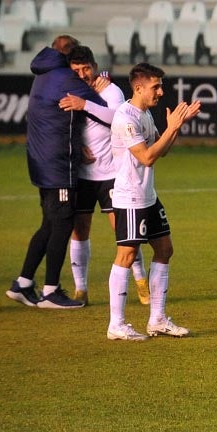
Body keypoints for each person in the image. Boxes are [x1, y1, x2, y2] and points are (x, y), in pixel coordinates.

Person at [6, 35, 105, 310]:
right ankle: (51, 291)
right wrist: (100, 86)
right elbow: (102, 108)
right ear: (68, 56)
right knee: (63, 223)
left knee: (49, 223)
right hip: (58, 164)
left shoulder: (43, 72)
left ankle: (23, 283)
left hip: (40, 161)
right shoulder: (64, 77)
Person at [105, 63, 201, 340]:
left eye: (161, 86)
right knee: (127, 255)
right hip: (130, 197)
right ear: (138, 87)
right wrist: (171, 128)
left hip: (148, 196)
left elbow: (162, 150)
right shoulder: (125, 118)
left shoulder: (144, 114)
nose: (161, 91)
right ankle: (116, 324)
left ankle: (157, 319)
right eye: (155, 86)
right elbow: (146, 157)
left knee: (164, 249)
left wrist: (176, 127)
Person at [57, 46, 145, 306]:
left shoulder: (111, 90)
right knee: (80, 230)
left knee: (124, 232)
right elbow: (62, 123)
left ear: (94, 67)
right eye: (77, 70)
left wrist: (85, 103)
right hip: (82, 175)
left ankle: (141, 281)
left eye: (86, 68)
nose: (83, 74)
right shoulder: (67, 90)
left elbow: (115, 118)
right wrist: (76, 144)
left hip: (111, 174)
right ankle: (81, 289)